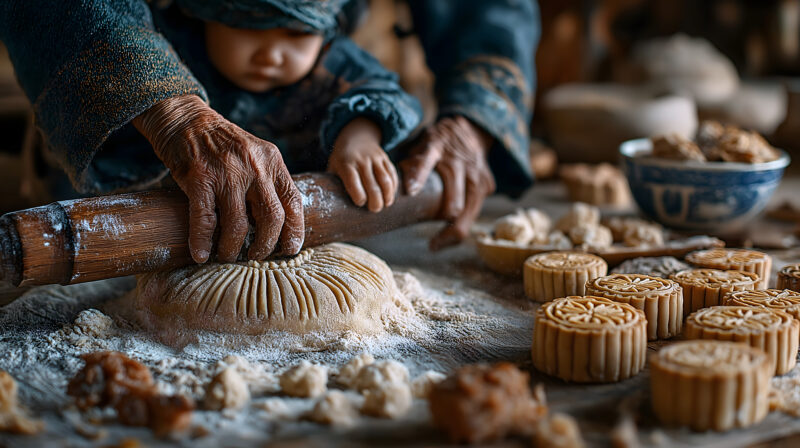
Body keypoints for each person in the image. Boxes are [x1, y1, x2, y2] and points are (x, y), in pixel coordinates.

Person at [1, 0, 539, 260]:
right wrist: (170, 111)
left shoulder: (337, 62)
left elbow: (383, 90)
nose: (272, 52)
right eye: (245, 27)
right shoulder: (175, 44)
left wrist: (361, 130)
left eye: (294, 32)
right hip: (107, 223)